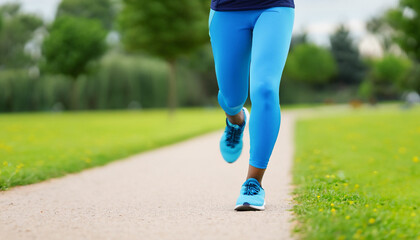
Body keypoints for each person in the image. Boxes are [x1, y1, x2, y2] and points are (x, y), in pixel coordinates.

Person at [208, 0, 295, 211]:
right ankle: (236, 120)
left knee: (265, 89)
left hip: (275, 6)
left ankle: (253, 182)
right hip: (227, 8)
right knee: (231, 98)